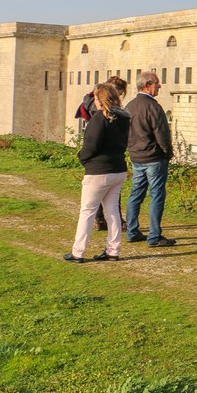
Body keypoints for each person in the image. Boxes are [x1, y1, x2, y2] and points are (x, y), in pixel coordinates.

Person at [64, 83, 130, 263]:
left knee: (87, 211)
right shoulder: (124, 118)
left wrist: (82, 158)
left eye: (95, 98)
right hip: (118, 169)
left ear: (100, 100)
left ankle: (78, 252)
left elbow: (90, 146)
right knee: (112, 211)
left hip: (98, 171)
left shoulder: (99, 119)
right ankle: (113, 250)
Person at [124, 71, 175, 247]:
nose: (159, 86)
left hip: (136, 156)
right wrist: (168, 153)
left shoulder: (130, 106)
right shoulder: (153, 107)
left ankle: (132, 231)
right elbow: (162, 134)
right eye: (156, 83)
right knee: (156, 196)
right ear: (147, 85)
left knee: (136, 194)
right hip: (154, 157)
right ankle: (154, 236)